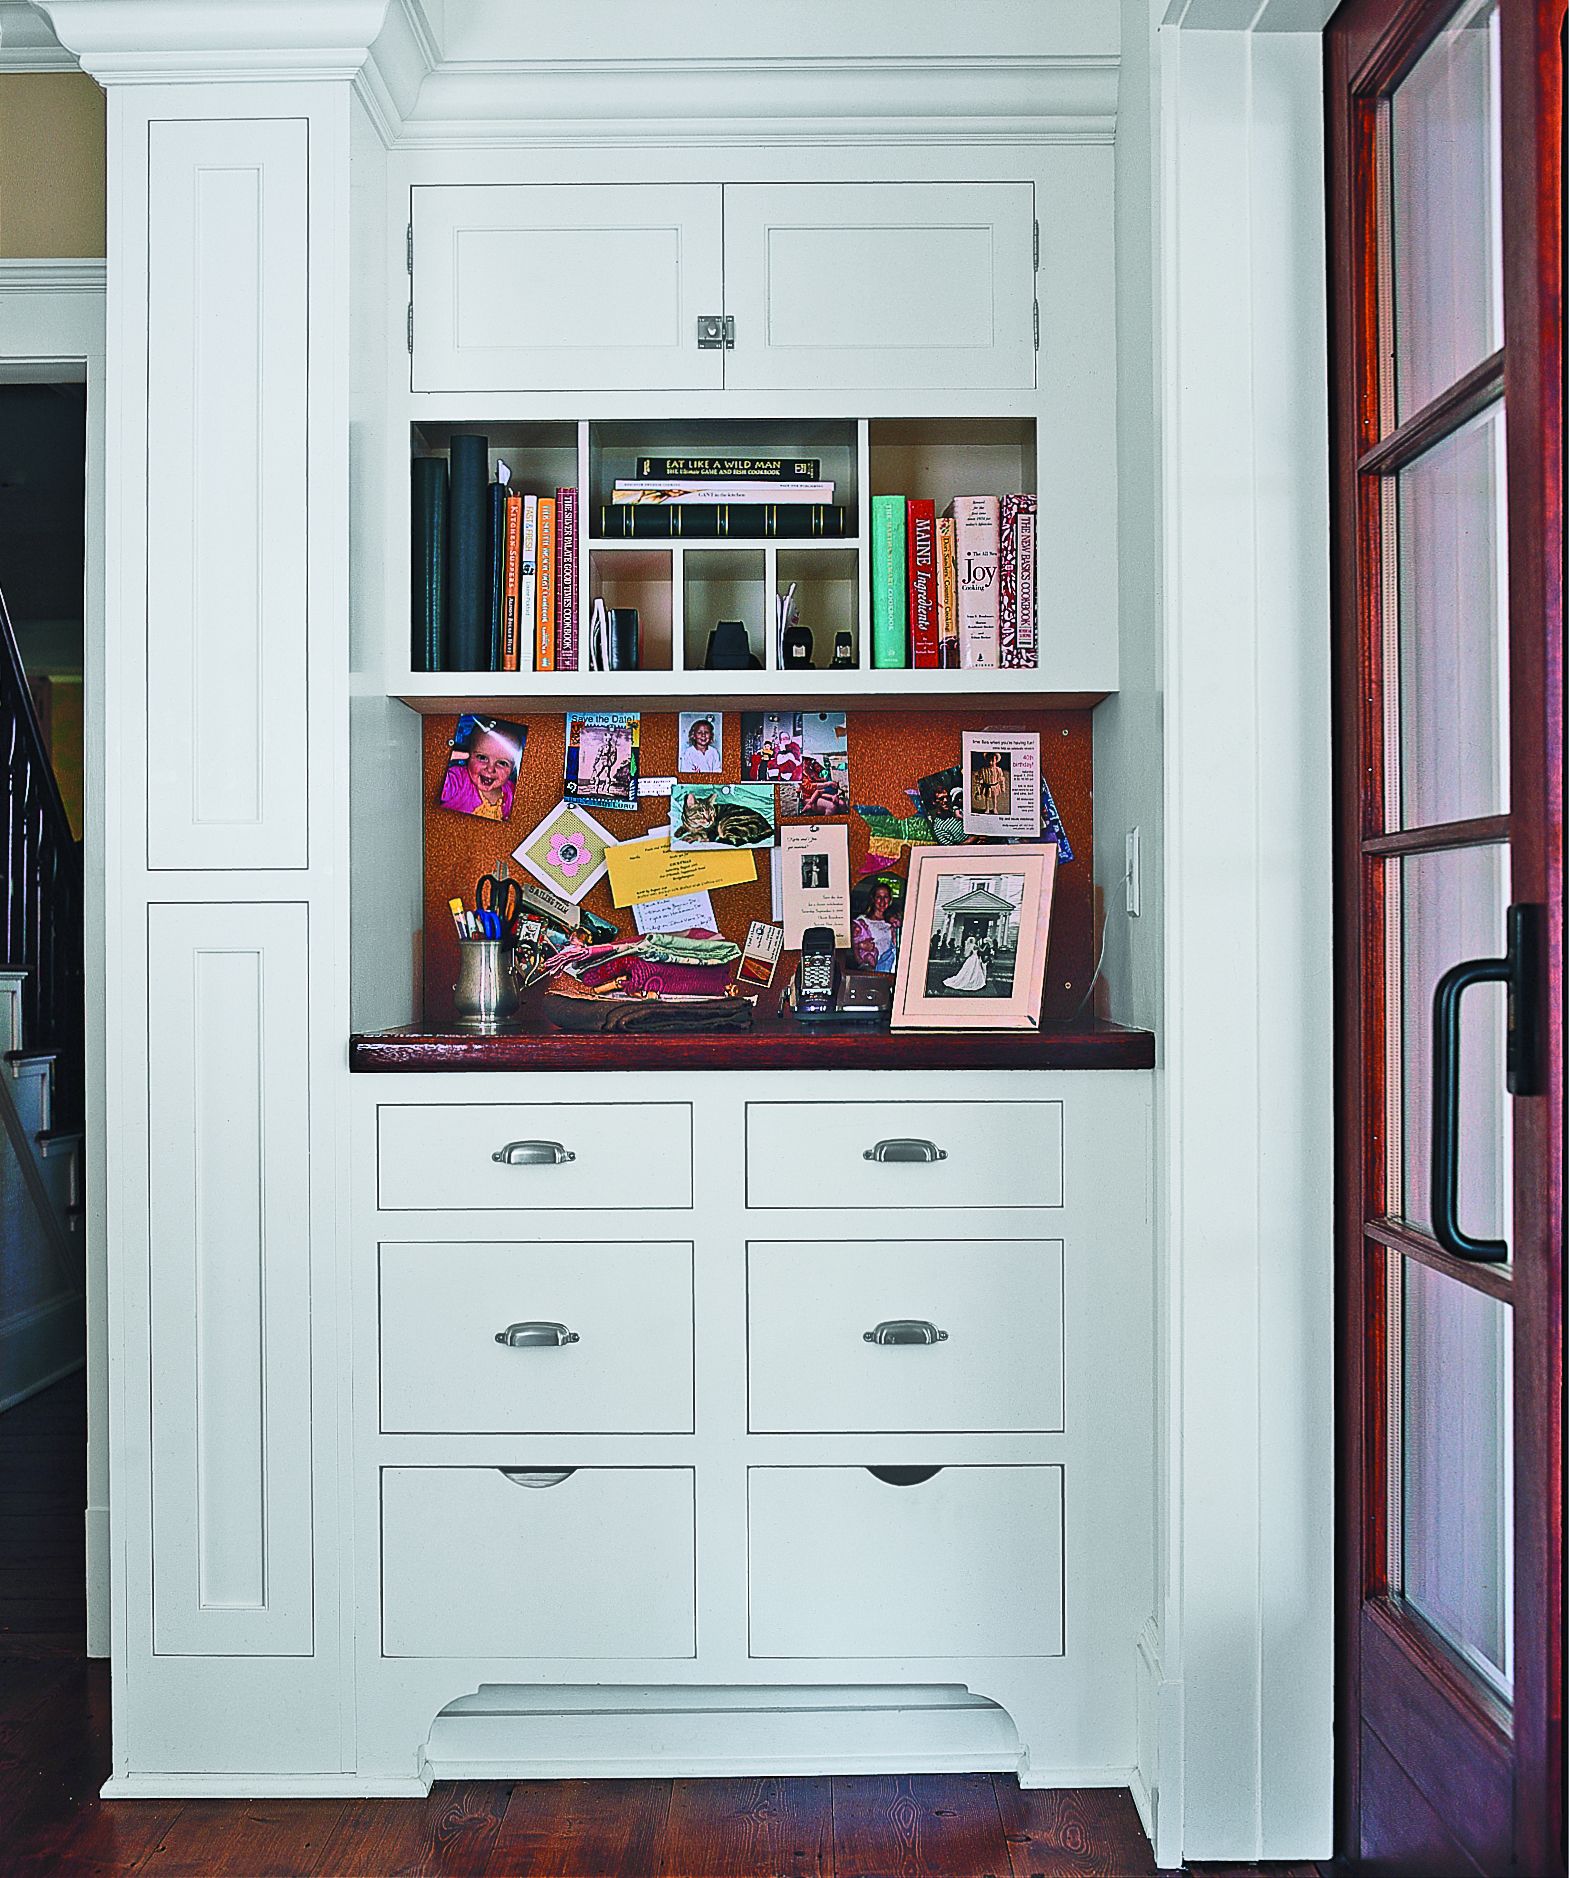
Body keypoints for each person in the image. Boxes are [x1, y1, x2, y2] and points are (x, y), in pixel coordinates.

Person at [439, 717, 520, 820]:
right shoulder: (458, 781)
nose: (490, 769)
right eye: (482, 757)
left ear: (513, 768)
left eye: (502, 763)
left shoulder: (511, 792)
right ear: (468, 756)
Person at [851, 879, 901, 973]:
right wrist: (860, 947)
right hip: (872, 971)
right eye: (879, 897)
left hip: (892, 969)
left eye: (885, 897)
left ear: (890, 899)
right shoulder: (863, 921)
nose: (882, 901)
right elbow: (853, 949)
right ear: (873, 899)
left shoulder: (894, 920)